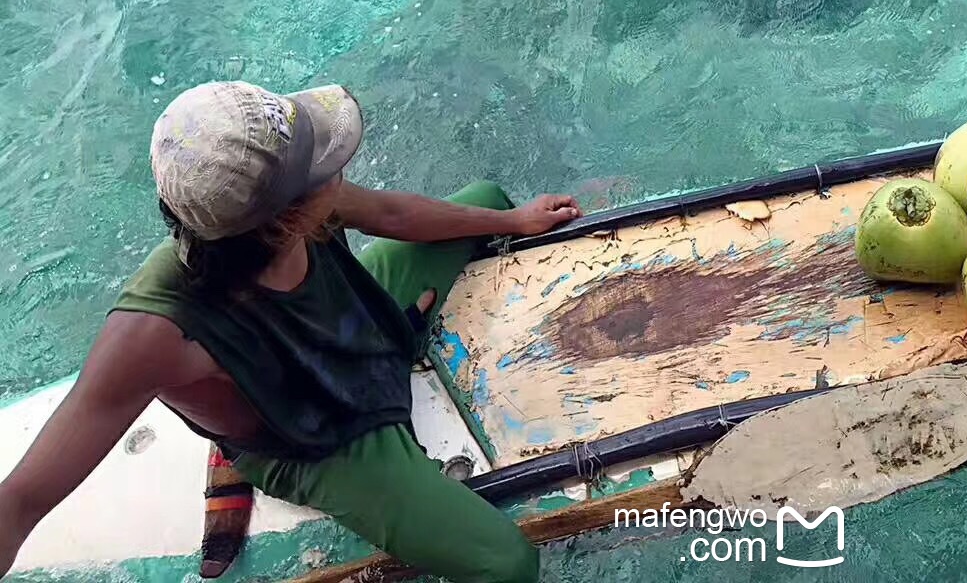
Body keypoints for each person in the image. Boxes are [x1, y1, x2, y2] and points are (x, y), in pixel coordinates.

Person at [0, 82, 582, 581]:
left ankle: (390, 332)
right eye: (325, 169)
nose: (339, 170)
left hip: (356, 323)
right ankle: (234, 443)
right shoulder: (157, 331)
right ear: (288, 217)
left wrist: (511, 221)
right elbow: (22, 498)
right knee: (506, 564)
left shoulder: (281, 208)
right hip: (316, 437)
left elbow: (394, 217)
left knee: (484, 202)